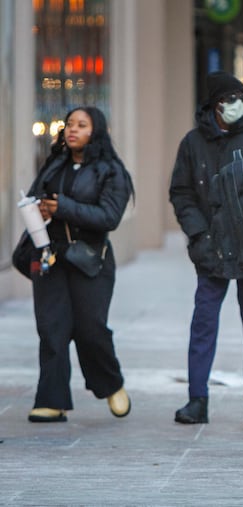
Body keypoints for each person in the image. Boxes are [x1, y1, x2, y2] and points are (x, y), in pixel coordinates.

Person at [169, 71, 243, 425]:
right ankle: (197, 399)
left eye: (240, 97)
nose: (235, 105)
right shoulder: (193, 143)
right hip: (210, 250)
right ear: (213, 105)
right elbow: (180, 193)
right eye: (228, 99)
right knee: (203, 323)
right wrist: (199, 235)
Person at [23, 106, 134, 422]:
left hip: (90, 260)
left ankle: (111, 384)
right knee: (51, 329)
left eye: (81, 125)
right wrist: (38, 210)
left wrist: (63, 208)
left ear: (95, 131)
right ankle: (51, 400)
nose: (72, 130)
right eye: (70, 124)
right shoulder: (54, 165)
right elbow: (35, 200)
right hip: (50, 257)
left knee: (90, 329)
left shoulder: (111, 171)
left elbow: (109, 218)